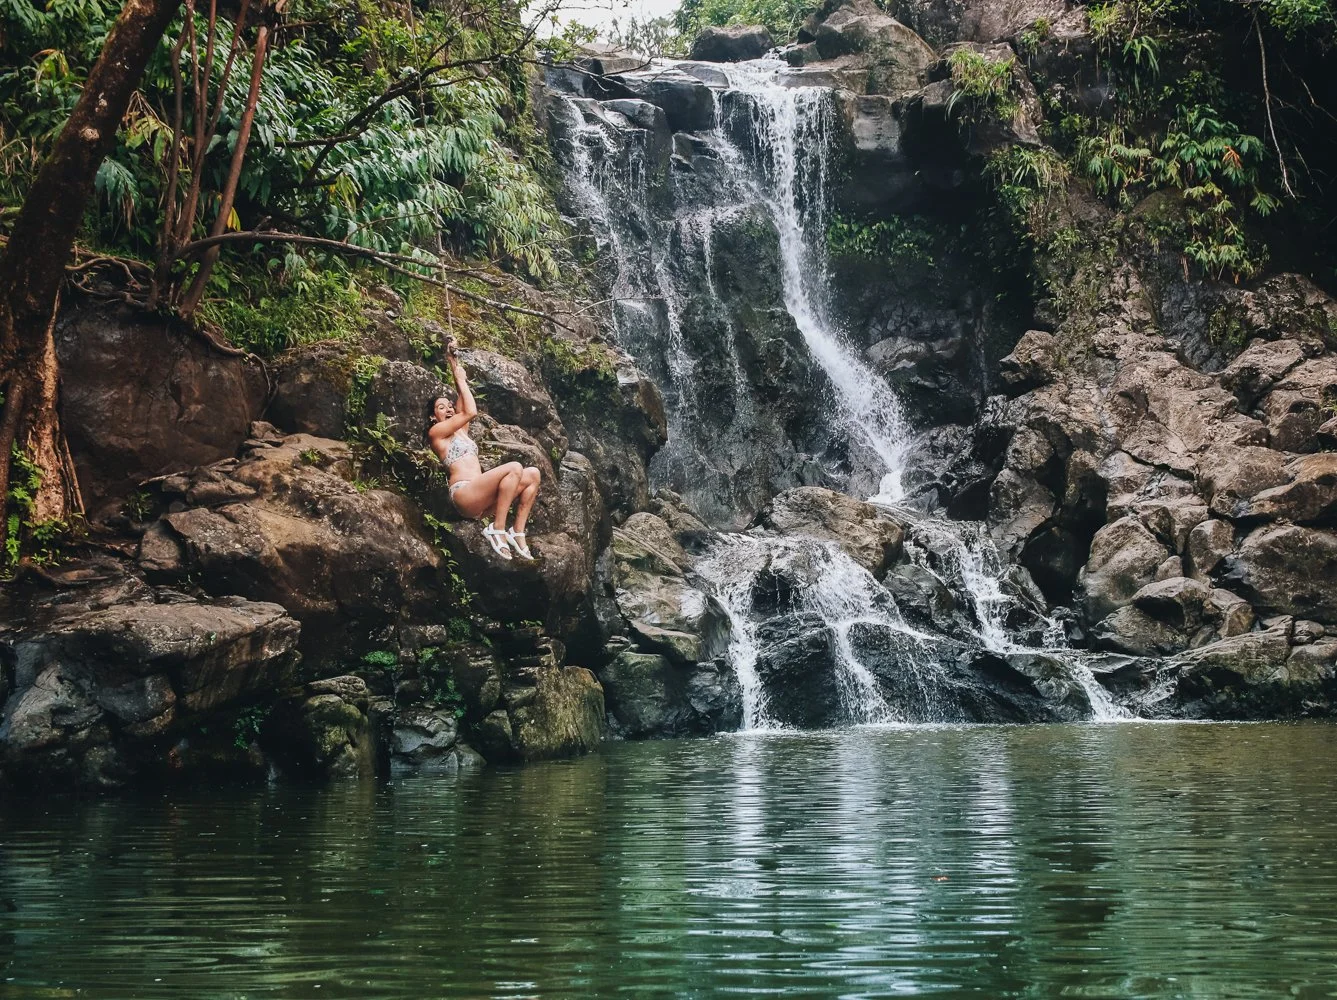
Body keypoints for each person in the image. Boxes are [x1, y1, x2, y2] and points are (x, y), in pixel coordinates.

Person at [427, 340, 541, 561]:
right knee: (514, 467)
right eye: (441, 408)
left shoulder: (461, 432)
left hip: (483, 498)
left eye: (449, 406)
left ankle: (516, 532)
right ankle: (496, 529)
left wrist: (453, 361)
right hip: (464, 495)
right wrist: (460, 380)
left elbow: (462, 402)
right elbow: (470, 411)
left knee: (533, 474)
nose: (448, 409)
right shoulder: (437, 435)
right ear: (433, 417)